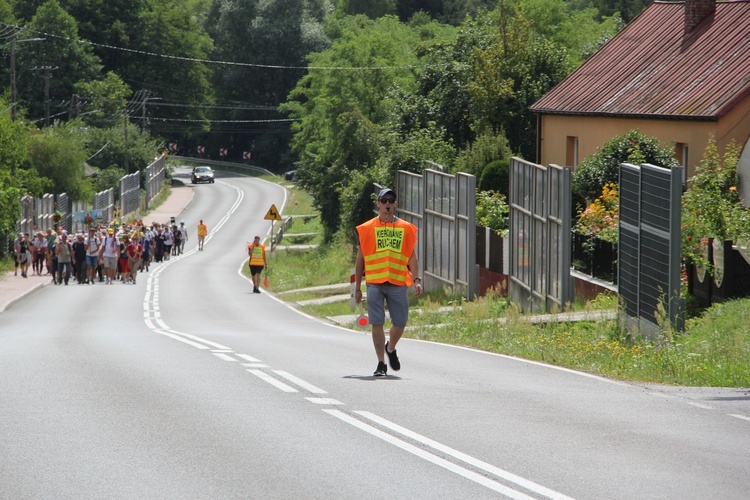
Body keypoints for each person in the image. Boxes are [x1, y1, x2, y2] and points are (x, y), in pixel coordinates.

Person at [354, 188, 423, 377]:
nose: (387, 204)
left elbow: (412, 257)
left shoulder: (406, 228)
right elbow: (360, 260)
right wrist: (357, 288)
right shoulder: (367, 228)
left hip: (398, 282)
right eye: (383, 200)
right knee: (377, 322)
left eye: (390, 200)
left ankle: (390, 348)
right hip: (375, 282)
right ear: (378, 204)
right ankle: (381, 363)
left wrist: (416, 280)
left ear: (395, 204)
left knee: (400, 322)